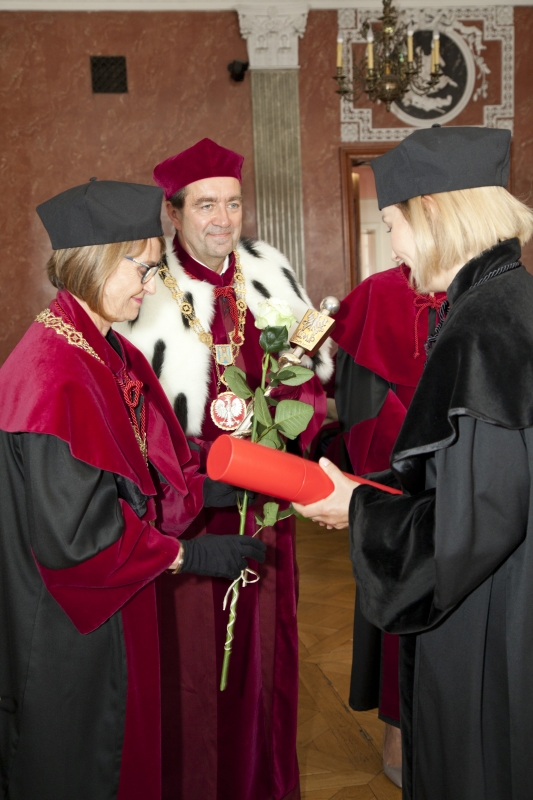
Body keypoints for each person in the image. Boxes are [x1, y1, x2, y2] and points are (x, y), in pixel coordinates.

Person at [0, 178, 265, 800]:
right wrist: (188, 554)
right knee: (84, 764)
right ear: (96, 261)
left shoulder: (104, 346)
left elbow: (147, 462)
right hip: (70, 622)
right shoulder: (52, 374)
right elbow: (77, 539)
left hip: (115, 600)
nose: (152, 285)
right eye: (143, 269)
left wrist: (208, 485)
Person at [293, 126, 533, 800]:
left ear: (430, 212)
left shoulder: (480, 328)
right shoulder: (509, 298)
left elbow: (472, 524)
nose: (393, 246)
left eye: (392, 224)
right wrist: (373, 493)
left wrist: (356, 508)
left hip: (486, 611)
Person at [116, 138, 333, 800]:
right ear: (174, 212)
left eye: (233, 203)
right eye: (206, 204)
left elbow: (307, 384)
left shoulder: (270, 272)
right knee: (189, 661)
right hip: (184, 508)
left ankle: (260, 781)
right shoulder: (141, 287)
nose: (223, 218)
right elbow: (128, 410)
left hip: (262, 499)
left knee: (263, 652)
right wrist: (191, 480)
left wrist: (286, 431)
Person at [331, 265, 445, 787]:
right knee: (397, 584)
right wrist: (402, 470)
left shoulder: (484, 282)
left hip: (466, 476)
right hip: (397, 477)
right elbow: (359, 403)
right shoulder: (378, 293)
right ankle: (396, 727)